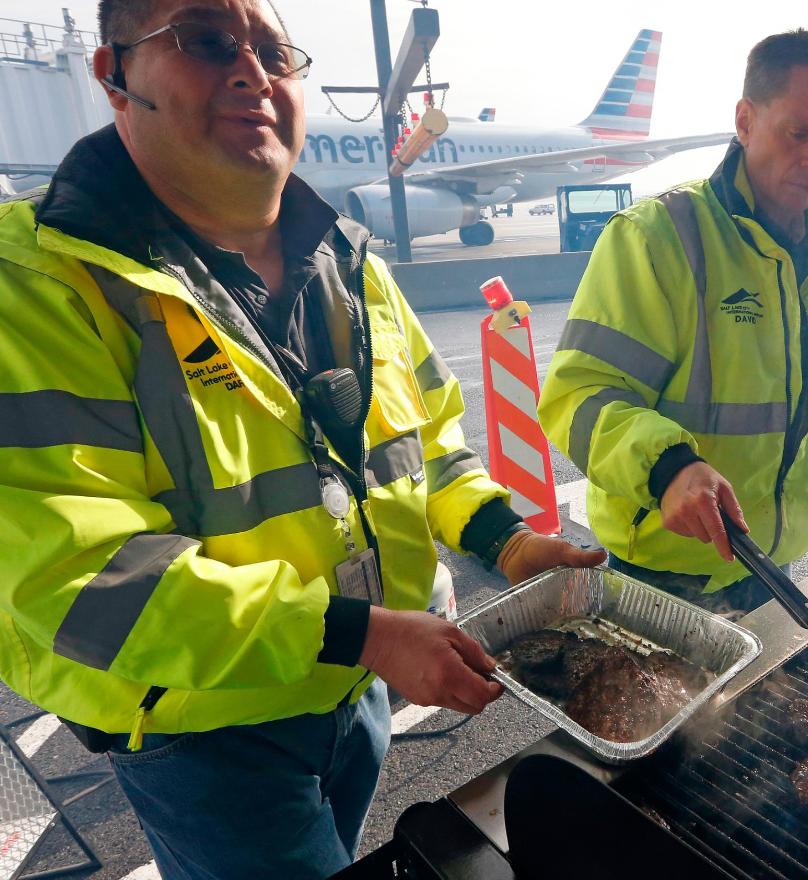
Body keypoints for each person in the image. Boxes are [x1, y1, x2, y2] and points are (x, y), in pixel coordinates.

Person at [0, 0, 604, 876]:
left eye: (274, 51)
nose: (251, 71)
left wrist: (505, 541)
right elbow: (76, 578)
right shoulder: (41, 284)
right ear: (114, 75)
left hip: (353, 694)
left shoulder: (353, 265)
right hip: (205, 731)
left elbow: (430, 449)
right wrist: (364, 633)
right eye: (206, 41)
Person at [539, 30, 808, 618]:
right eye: (799, 133)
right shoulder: (657, 237)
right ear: (745, 121)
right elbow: (580, 397)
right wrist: (670, 467)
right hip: (667, 573)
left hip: (773, 565)